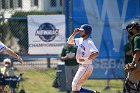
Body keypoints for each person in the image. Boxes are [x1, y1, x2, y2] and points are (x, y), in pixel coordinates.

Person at [67, 24, 99, 93]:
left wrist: (86, 59)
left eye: (82, 31)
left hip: (86, 66)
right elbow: (69, 41)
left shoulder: (89, 42)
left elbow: (96, 53)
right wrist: (74, 33)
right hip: (82, 66)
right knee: (76, 87)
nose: (80, 32)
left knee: (75, 85)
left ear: (86, 32)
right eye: (80, 31)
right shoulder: (80, 40)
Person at [124, 20, 140, 92]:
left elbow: (138, 53)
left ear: (134, 28)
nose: (129, 30)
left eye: (130, 28)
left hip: (139, 63)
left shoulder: (137, 38)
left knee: (129, 84)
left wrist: (133, 63)